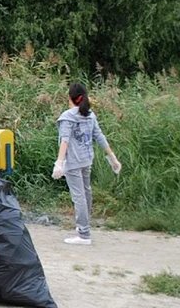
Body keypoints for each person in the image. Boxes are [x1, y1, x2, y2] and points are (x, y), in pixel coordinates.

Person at [52, 82, 122, 245]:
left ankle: (84, 234)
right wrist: (113, 158)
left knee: (79, 196)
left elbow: (65, 141)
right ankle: (84, 225)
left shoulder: (67, 117)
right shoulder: (89, 115)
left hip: (73, 162)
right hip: (86, 159)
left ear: (70, 98)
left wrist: (59, 162)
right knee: (86, 192)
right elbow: (100, 137)